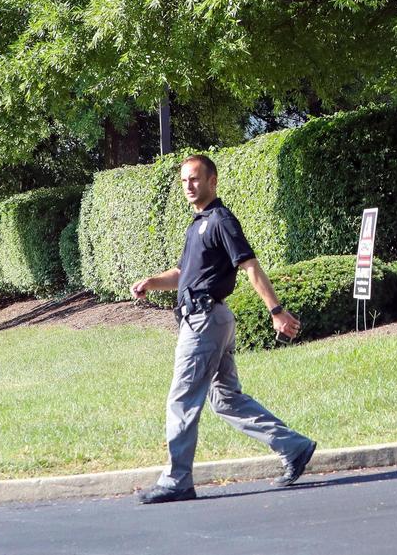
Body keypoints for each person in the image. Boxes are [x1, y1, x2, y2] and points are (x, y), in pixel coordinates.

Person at [131, 154, 317, 504]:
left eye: (196, 179)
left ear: (212, 181)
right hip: (209, 319)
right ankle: (295, 448)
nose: (189, 185)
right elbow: (183, 275)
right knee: (226, 399)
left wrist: (276, 311)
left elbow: (249, 267)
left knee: (182, 398)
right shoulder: (197, 224)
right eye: (185, 180)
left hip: (205, 323)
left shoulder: (221, 220)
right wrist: (150, 282)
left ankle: (177, 480)